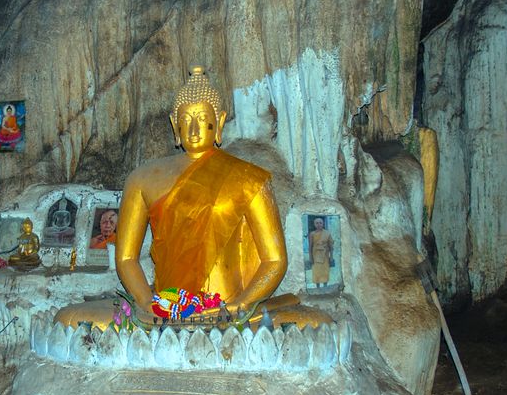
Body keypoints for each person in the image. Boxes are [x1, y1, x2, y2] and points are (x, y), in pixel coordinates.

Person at [54, 66, 331, 329]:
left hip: (228, 308)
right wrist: (146, 301)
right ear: (175, 125)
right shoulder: (142, 179)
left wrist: (240, 304)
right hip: (164, 310)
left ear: (218, 122)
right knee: (69, 318)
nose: (195, 129)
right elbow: (126, 258)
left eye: (202, 119)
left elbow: (275, 261)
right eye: (186, 120)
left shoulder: (249, 177)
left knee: (317, 323)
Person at [308, 217, 334, 288]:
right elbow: (310, 246)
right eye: (317, 223)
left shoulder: (327, 233)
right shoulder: (312, 234)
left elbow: (331, 247)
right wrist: (310, 257)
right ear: (314, 224)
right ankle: (318, 287)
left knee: (325, 271)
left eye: (320, 223)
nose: (319, 224)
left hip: (325, 255)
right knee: (317, 272)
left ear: (323, 224)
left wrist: (331, 257)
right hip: (315, 255)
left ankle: (325, 286)